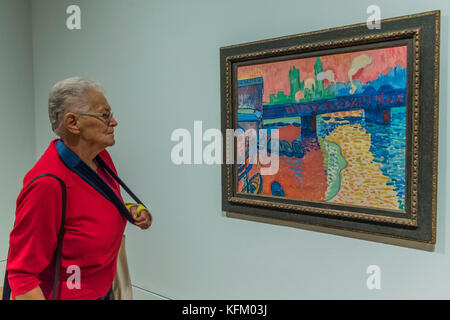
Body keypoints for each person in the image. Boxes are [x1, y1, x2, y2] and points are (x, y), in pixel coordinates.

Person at [6, 77, 152, 300]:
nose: (114, 122)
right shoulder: (47, 185)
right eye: (105, 115)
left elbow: (95, 204)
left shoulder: (100, 158)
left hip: (103, 288)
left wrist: (131, 209)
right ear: (73, 123)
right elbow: (22, 276)